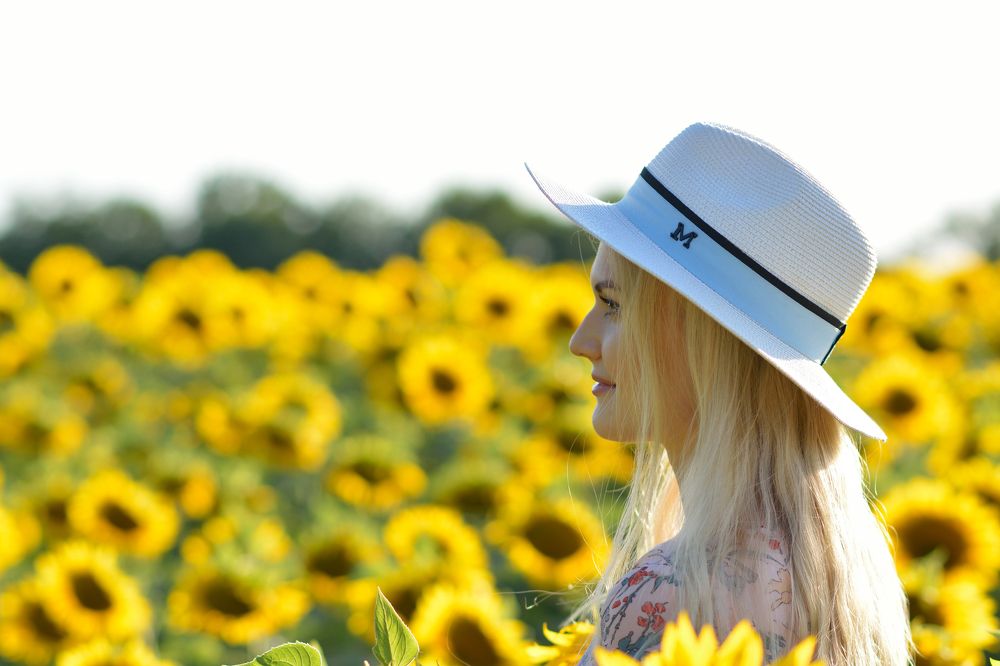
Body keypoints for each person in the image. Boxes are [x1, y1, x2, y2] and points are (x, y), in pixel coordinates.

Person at [524, 122, 915, 665]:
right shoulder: (840, 577)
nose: (580, 341)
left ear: (696, 336)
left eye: (613, 305)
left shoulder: (672, 595)